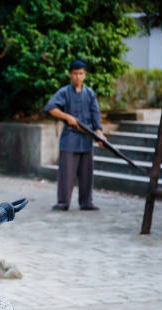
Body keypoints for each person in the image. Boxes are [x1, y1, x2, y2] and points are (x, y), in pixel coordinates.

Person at [45, 59, 105, 211]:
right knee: (66, 172)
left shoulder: (90, 94)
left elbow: (95, 114)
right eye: (75, 73)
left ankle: (86, 202)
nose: (78, 77)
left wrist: (99, 133)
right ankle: (63, 202)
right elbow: (51, 108)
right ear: (70, 75)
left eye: (81, 73)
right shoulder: (64, 92)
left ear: (85, 75)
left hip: (86, 138)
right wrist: (67, 117)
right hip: (70, 138)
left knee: (86, 173)